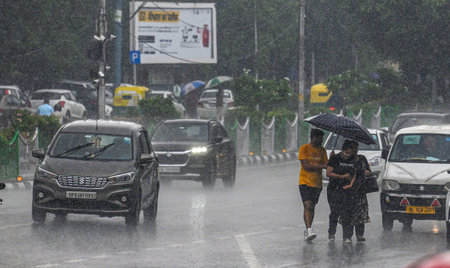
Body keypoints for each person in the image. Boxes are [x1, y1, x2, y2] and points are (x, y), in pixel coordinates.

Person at [298, 128, 328, 241]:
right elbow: (306, 166)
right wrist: (321, 166)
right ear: (313, 138)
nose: (321, 140)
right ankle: (309, 229)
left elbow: (327, 163)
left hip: (317, 184)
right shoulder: (304, 148)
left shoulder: (322, 151)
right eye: (320, 138)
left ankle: (308, 229)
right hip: (305, 182)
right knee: (308, 205)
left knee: (312, 207)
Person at [341, 141, 371, 243]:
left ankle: (360, 234)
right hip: (348, 191)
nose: (355, 151)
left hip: (360, 191)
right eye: (353, 148)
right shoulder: (345, 160)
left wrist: (365, 172)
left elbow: (368, 171)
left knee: (360, 215)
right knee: (348, 214)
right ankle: (347, 236)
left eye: (356, 148)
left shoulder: (362, 159)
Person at [326, 139, 355, 242]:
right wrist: (342, 177)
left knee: (346, 213)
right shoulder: (335, 158)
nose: (348, 155)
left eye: (350, 153)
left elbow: (355, 173)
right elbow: (328, 173)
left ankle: (347, 236)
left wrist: (350, 179)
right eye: (346, 153)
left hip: (347, 190)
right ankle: (331, 233)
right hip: (334, 189)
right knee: (334, 212)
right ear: (342, 150)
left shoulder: (353, 160)